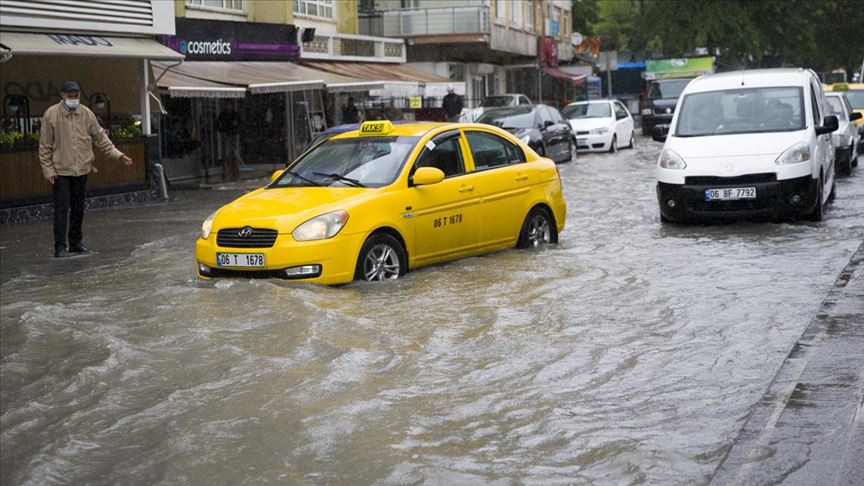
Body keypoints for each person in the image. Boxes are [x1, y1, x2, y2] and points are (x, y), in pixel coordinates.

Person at [39, 81, 133, 258]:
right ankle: (60, 247)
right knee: (61, 209)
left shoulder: (86, 114)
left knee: (78, 208)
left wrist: (118, 155)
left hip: (82, 169)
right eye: (70, 96)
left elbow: (101, 138)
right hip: (61, 171)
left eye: (76, 96)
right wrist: (48, 169)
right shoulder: (51, 114)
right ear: (62, 96)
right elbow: (45, 145)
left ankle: (76, 243)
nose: (73, 99)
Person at [215, 102, 241, 180]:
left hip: (234, 135)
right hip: (226, 135)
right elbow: (217, 124)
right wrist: (222, 130)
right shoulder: (222, 115)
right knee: (226, 153)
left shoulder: (235, 114)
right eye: (227, 105)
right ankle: (225, 171)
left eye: (229, 105)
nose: (228, 106)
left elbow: (240, 123)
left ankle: (235, 170)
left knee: (235, 153)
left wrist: (236, 129)